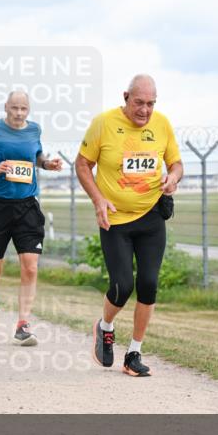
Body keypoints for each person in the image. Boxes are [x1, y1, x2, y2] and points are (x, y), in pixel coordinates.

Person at [75, 75, 183, 377]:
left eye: (151, 104)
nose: (145, 111)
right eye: (139, 103)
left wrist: (172, 178)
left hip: (150, 215)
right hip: (115, 218)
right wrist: (98, 199)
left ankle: (134, 352)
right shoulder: (103, 123)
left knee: (149, 283)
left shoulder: (161, 124)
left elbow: (176, 164)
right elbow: (82, 164)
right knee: (122, 286)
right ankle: (105, 327)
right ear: (126, 97)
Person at [0, 90, 63, 346]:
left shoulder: (35, 130)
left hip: (27, 206)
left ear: (29, 110)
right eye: (15, 108)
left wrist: (47, 164)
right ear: (6, 107)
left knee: (31, 266)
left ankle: (23, 323)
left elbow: (37, 157)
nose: (19, 113)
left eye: (24, 109)